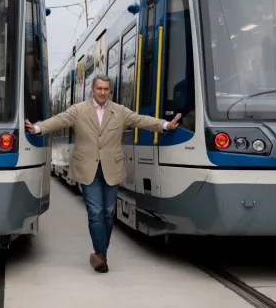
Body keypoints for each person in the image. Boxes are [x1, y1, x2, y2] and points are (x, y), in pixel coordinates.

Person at [25, 74, 181, 273]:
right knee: (95, 212)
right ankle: (100, 253)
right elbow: (59, 120)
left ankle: (101, 255)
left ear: (110, 91)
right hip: (87, 168)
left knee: (108, 213)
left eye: (106, 89)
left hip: (112, 169)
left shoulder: (120, 111)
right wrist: (38, 128)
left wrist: (166, 125)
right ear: (92, 89)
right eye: (99, 89)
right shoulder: (79, 110)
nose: (102, 92)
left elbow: (140, 120)